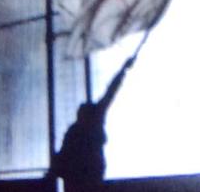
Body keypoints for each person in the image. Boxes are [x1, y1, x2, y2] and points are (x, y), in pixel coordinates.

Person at [47, 55, 135, 184]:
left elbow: (62, 157)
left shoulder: (74, 131)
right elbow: (110, 93)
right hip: (92, 174)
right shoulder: (91, 123)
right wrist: (123, 69)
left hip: (80, 178)